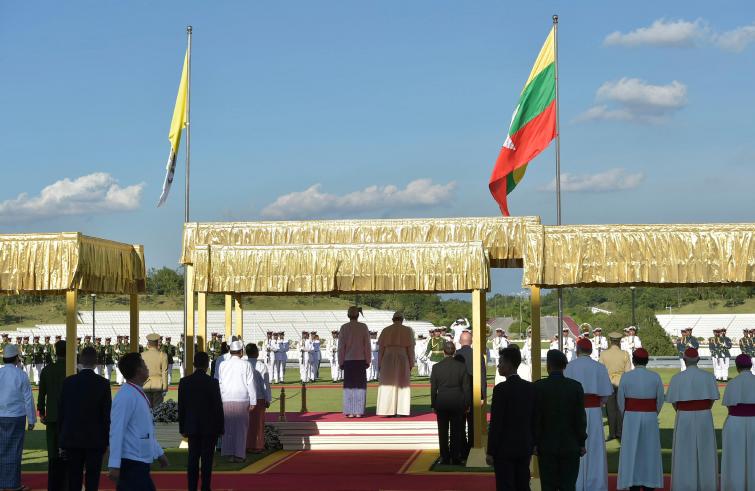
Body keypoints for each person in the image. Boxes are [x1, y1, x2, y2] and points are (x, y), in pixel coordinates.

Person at [108, 352, 169, 489]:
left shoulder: (136, 392)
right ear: (138, 370)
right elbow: (116, 431)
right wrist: (114, 464)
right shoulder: (126, 396)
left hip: (139, 460)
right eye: (144, 365)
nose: (147, 367)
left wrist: (159, 453)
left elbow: (145, 429)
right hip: (131, 462)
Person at [666, 347, 720, 491]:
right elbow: (712, 399)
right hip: (704, 416)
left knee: (683, 451)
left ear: (684, 360)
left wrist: (684, 410)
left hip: (684, 416)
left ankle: (683, 485)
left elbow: (673, 401)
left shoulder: (677, 378)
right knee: (706, 451)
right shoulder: (708, 377)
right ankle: (707, 485)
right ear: (698, 359)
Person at [58, 346, 111, 491]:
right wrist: (107, 440)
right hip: (95, 439)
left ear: (80, 360)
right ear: (97, 362)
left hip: (72, 438)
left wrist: (61, 439)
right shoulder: (103, 384)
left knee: (74, 479)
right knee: (93, 479)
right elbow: (106, 416)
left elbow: (61, 413)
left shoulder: (68, 382)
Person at [533, 350, 587, 491]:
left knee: (548, 486)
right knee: (568, 486)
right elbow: (580, 418)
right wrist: (581, 442)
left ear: (548, 366)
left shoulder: (539, 387)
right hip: (570, 445)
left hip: (546, 445)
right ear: (564, 366)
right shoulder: (575, 386)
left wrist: (535, 442)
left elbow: (536, 419)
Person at [564, 338, 613, 491]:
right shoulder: (599, 367)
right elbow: (606, 394)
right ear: (591, 351)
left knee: (573, 447)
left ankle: (576, 483)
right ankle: (596, 483)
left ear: (577, 350)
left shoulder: (569, 366)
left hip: (574, 411)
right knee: (595, 448)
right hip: (594, 411)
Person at [487, 345, 535, 491]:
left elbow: (496, 423)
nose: (498, 366)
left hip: (504, 448)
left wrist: (490, 451)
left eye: (501, 362)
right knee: (523, 484)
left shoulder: (500, 389)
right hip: (524, 445)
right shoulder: (530, 388)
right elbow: (534, 418)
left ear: (508, 364)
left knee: (505, 485)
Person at [178, 351, 224, 491]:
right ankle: (205, 487)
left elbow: (182, 407)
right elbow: (218, 407)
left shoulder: (185, 382)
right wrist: (220, 427)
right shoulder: (212, 382)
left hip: (192, 426)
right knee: (207, 460)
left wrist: (182, 428)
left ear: (194, 364)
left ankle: (191, 487)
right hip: (209, 427)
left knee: (192, 459)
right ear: (207, 365)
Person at [0, 344, 36, 491]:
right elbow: (28, 399)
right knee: (15, 451)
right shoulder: (21, 374)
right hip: (16, 417)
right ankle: (13, 485)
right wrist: (32, 420)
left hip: (1, 416)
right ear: (16, 358)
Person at [430, 341, 469, 465]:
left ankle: (444, 457)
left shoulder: (436, 367)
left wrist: (433, 403)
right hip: (457, 401)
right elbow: (466, 388)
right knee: (456, 431)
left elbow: (433, 388)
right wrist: (466, 404)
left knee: (443, 431)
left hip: (442, 401)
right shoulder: (461, 366)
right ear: (454, 351)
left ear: (443, 351)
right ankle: (455, 457)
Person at [218, 340, 257, 463]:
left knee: (228, 428)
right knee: (241, 428)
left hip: (226, 398)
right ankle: (239, 454)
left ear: (230, 351)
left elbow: (219, 383)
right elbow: (250, 383)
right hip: (242, 399)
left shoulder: (223, 364)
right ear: (241, 352)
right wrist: (253, 401)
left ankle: (229, 454)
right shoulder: (246, 365)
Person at [721, 354, 755, 491]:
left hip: (735, 422)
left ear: (737, 367)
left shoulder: (732, 383)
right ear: (751, 365)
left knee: (735, 457)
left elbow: (729, 406)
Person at [37, 340, 67, 491]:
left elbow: (41, 394)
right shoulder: (72, 370)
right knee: (68, 454)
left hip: (52, 417)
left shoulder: (47, 370)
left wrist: (41, 412)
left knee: (53, 454)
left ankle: (53, 486)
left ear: (55, 352)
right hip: (69, 418)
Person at [376, 312, 415, 417]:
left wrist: (379, 364)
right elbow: (410, 349)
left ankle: (387, 410)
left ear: (393, 319)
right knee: (403, 384)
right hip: (402, 357)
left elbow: (381, 350)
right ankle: (402, 410)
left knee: (387, 384)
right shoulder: (408, 330)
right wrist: (411, 363)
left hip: (387, 357)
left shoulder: (386, 330)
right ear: (402, 320)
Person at [455, 331, 487, 454]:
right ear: (471, 341)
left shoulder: (456, 355)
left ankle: (462, 449)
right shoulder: (477, 355)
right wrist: (483, 395)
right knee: (473, 423)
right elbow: (483, 377)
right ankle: (472, 447)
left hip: (460, 394)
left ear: (460, 341)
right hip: (475, 392)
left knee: (460, 423)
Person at [338, 306, 372, 418]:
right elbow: (367, 345)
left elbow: (341, 347)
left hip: (348, 360)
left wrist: (340, 361)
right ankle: (358, 410)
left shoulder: (344, 327)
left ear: (348, 315)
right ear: (358, 315)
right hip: (360, 360)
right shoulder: (363, 327)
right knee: (360, 386)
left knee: (349, 386)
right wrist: (368, 360)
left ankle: (349, 410)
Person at [599, 332, 631, 442]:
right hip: (621, 382)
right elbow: (628, 372)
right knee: (621, 408)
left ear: (610, 341)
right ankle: (620, 432)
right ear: (619, 341)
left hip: (608, 382)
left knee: (610, 409)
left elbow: (601, 371)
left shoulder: (604, 354)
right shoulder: (625, 354)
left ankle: (612, 433)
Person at [245, 343, 272, 453]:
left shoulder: (244, 364)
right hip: (259, 398)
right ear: (256, 353)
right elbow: (265, 384)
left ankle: (246, 445)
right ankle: (257, 446)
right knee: (258, 424)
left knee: (247, 424)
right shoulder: (261, 365)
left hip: (245, 398)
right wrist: (268, 398)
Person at [141, 333, 168, 407]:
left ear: (148, 343)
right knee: (157, 409)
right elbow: (164, 372)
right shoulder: (163, 355)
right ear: (157, 343)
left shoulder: (142, 355)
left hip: (145, 384)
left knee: (146, 409)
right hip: (158, 385)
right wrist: (165, 388)